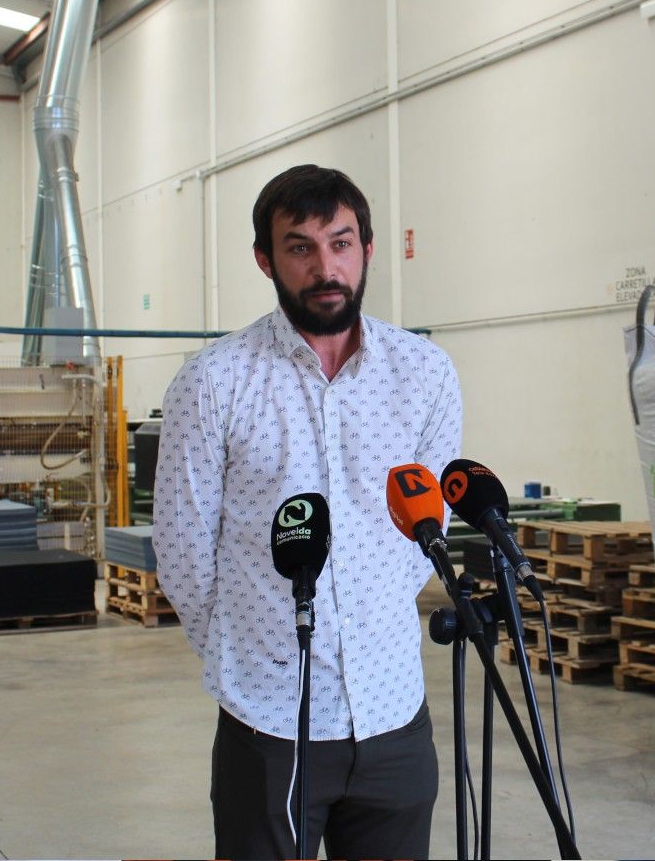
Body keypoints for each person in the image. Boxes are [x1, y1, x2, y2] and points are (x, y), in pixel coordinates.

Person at [153, 164, 463, 860]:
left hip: (393, 715)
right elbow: (181, 548)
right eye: (300, 247)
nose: (326, 268)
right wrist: (249, 652)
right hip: (268, 723)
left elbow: (425, 531)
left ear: (367, 249)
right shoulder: (214, 382)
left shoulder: (423, 374)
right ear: (265, 259)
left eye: (341, 243)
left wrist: (374, 624)